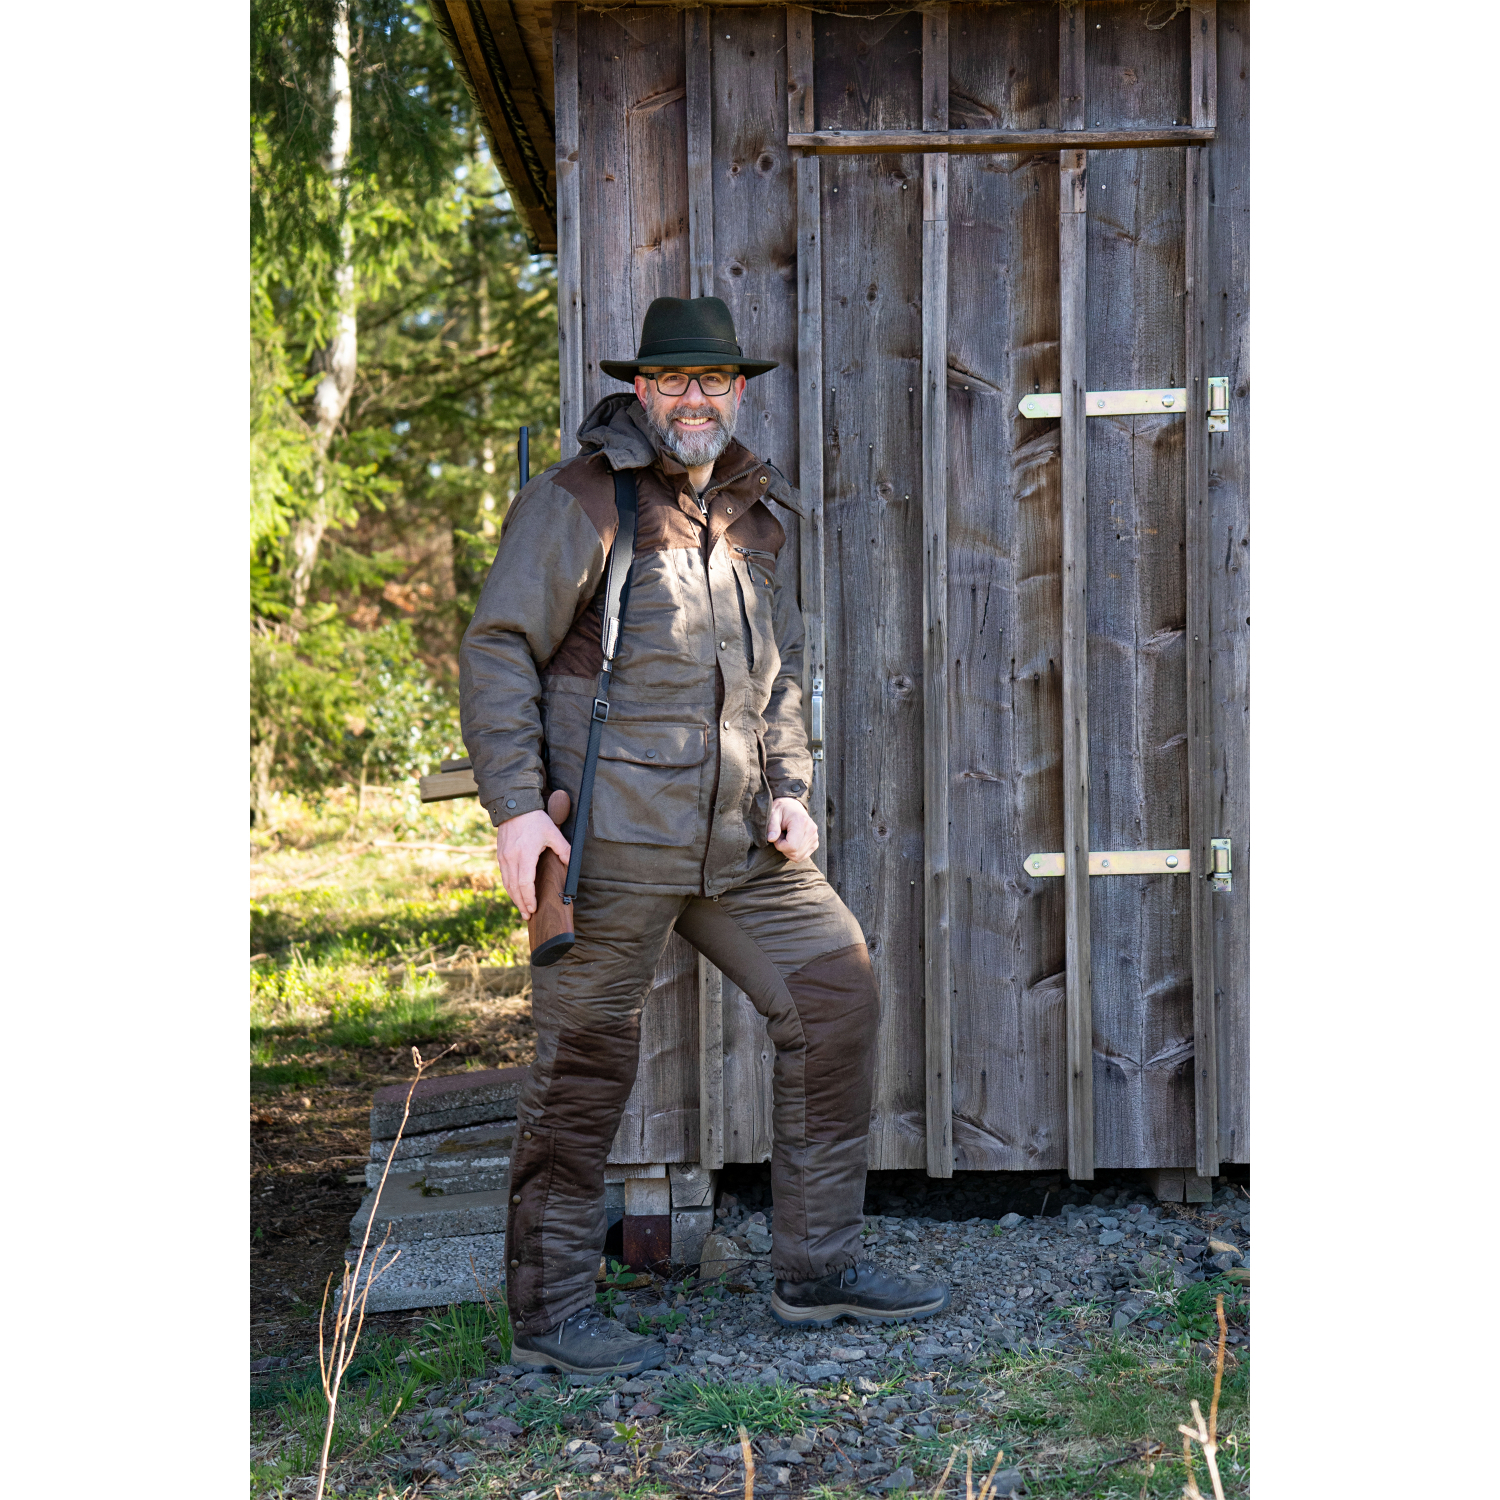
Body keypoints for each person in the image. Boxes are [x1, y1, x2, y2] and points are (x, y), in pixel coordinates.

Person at [459, 295, 949, 1375]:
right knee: (584, 1065)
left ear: (736, 391)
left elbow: (779, 670)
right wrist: (518, 807)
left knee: (836, 999)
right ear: (642, 389)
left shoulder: (753, 515)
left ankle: (817, 1269)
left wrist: (791, 784)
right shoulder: (582, 501)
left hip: (738, 841)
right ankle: (551, 1317)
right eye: (675, 380)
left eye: (714, 381)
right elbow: (498, 646)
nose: (695, 399)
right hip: (611, 844)